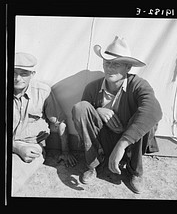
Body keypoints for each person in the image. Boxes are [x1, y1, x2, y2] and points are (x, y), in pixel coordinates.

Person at [72, 36, 162, 194]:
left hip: (129, 145)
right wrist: (98, 109)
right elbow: (83, 116)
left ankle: (134, 171)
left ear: (128, 68)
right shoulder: (92, 88)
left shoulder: (138, 85)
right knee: (80, 107)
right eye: (106, 63)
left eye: (116, 64)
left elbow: (153, 110)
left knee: (146, 118)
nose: (109, 68)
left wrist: (122, 144)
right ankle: (93, 165)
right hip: (103, 140)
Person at [12, 52, 77, 194]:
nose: (17, 78)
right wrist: (15, 147)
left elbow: (60, 121)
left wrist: (65, 151)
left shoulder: (43, 92)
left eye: (23, 74)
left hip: (30, 145)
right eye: (13, 72)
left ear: (32, 74)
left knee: (11, 180)